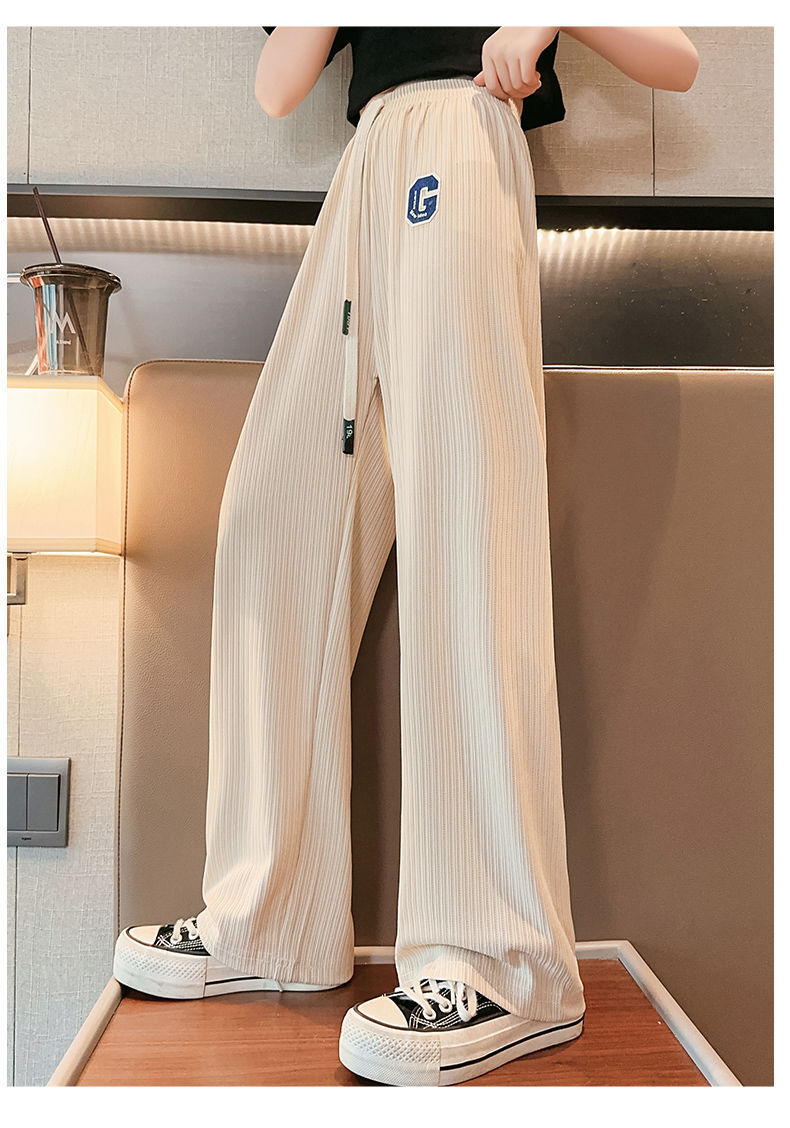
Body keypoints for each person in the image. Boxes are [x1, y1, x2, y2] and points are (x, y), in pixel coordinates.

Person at [112, 26, 699, 1087]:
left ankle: (501, 959)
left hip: (463, 141)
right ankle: (269, 917)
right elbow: (278, 86)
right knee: (273, 520)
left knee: (464, 535)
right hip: (367, 167)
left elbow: (677, 57)